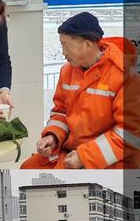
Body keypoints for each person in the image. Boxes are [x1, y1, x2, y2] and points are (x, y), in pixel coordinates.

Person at [21, 11, 140, 169]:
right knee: (27, 168)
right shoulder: (67, 71)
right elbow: (60, 112)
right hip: (72, 152)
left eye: (65, 45)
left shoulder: (125, 76)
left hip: (112, 160)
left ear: (87, 44)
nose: (63, 52)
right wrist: (53, 136)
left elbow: (131, 133)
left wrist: (85, 157)